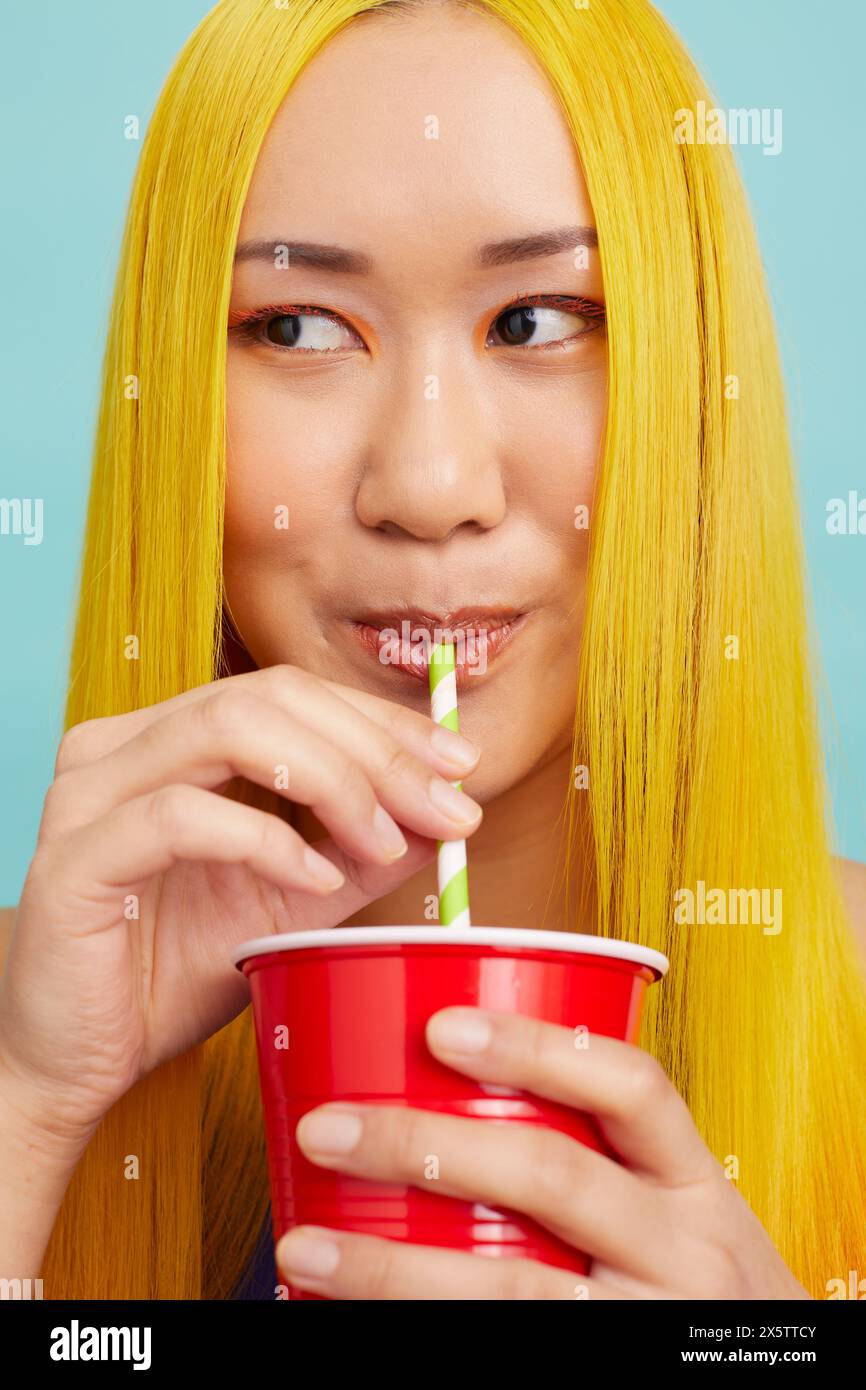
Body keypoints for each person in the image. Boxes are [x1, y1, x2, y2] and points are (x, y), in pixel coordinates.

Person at [1, 0, 864, 1301]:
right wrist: (29, 1111)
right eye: (294, 326)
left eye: (536, 320)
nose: (426, 482)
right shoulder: (31, 1020)